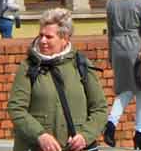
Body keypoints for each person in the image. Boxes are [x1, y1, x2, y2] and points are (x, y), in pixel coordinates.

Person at [10, 8, 106, 151]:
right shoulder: (29, 66)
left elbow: (100, 109)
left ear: (65, 38)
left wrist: (85, 136)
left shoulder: (81, 65)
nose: (43, 41)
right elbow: (16, 109)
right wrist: (40, 135)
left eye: (49, 37)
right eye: (41, 35)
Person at [103, 0, 141, 149]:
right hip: (135, 46)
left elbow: (110, 31)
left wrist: (110, 55)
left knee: (127, 88)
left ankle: (115, 127)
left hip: (117, 47)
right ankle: (135, 132)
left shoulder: (112, 3)